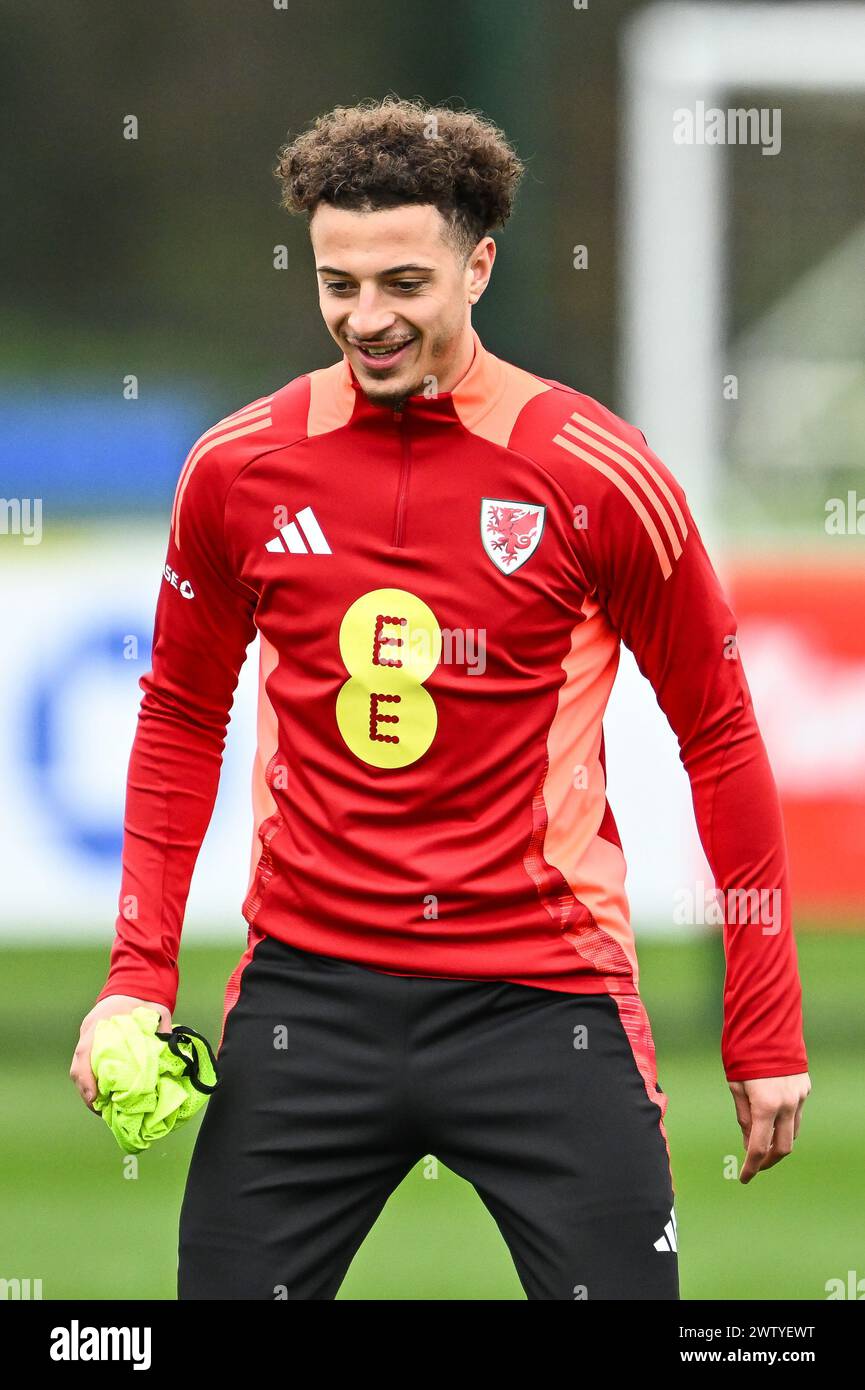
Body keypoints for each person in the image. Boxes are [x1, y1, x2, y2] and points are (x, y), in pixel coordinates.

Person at [70, 95, 810, 1301]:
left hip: (544, 997)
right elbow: (179, 718)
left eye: (403, 282)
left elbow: (720, 735)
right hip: (306, 996)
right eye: (337, 283)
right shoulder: (234, 470)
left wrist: (765, 1026)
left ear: (479, 264)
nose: (367, 319)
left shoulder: (596, 473)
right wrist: (136, 976)